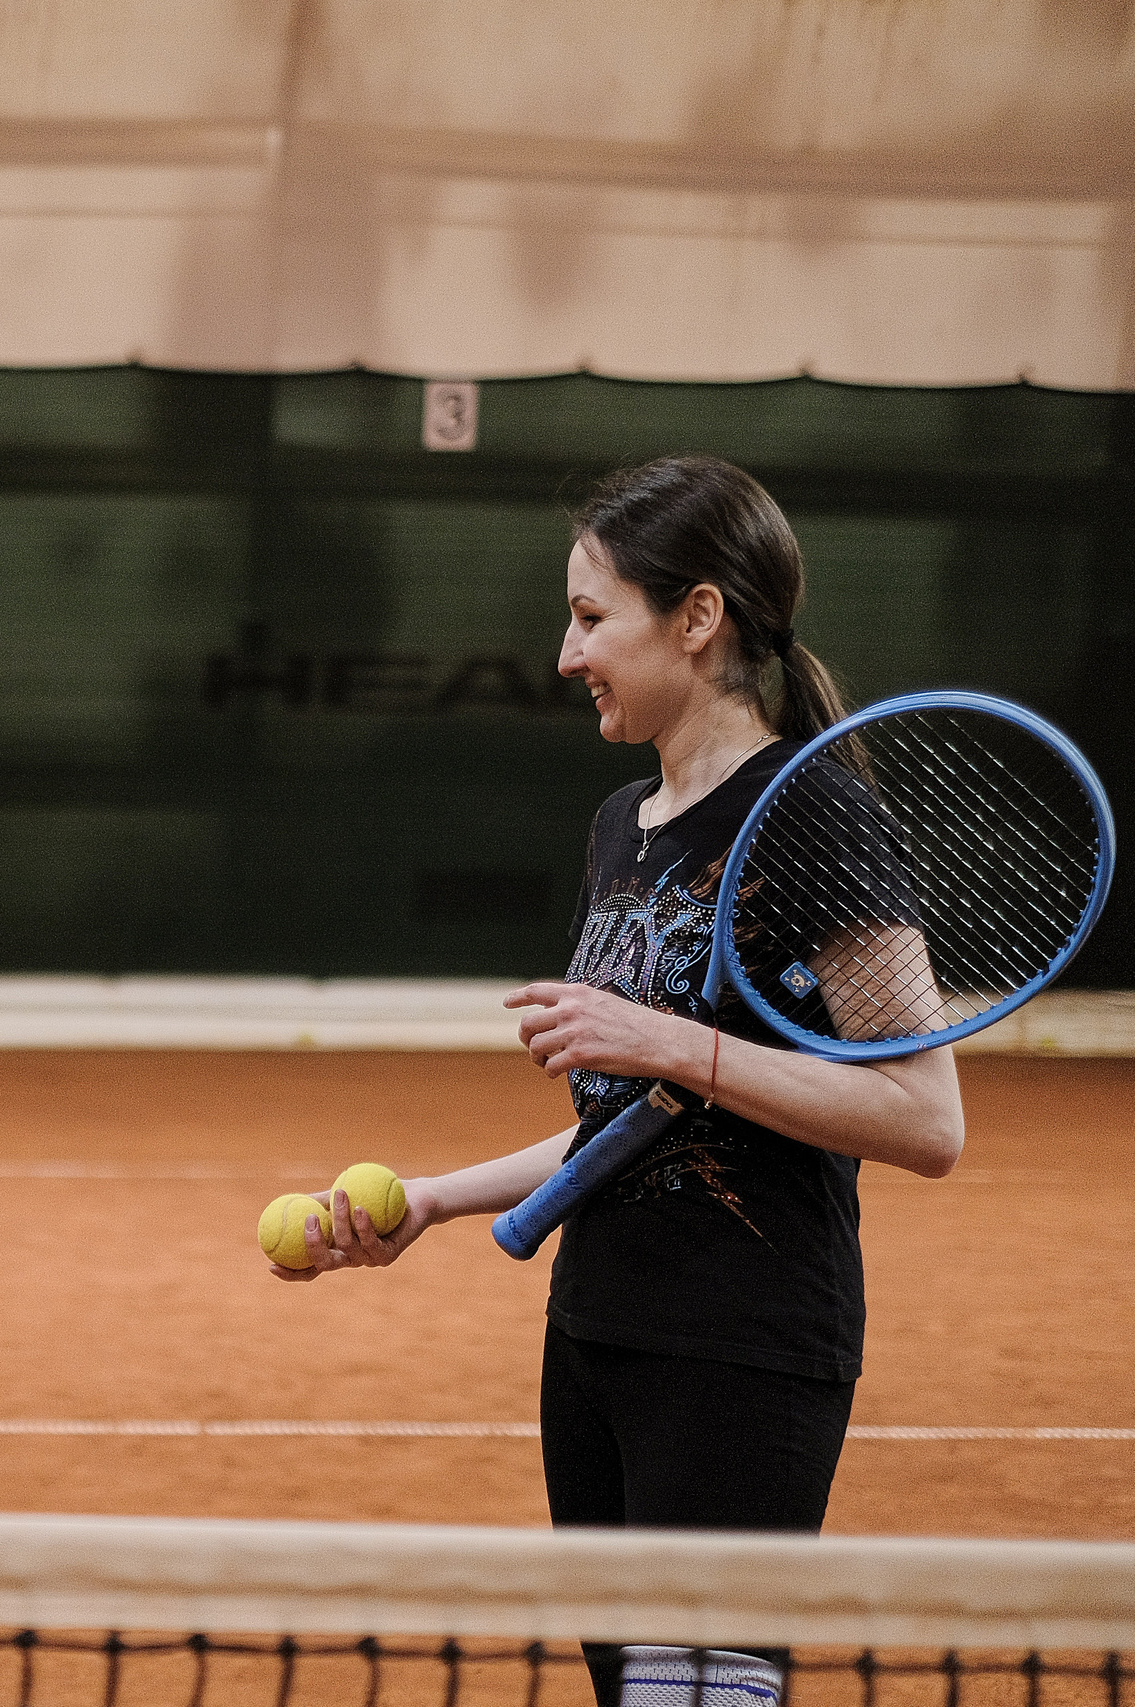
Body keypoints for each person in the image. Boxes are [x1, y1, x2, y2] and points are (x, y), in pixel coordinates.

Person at [271, 456, 964, 1706]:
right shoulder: (622, 822)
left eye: (592, 617)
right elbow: (627, 1126)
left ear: (697, 619)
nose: (563, 653)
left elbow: (925, 1119)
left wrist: (673, 1044)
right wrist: (433, 1199)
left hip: (743, 1351)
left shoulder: (815, 814)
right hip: (596, 1340)